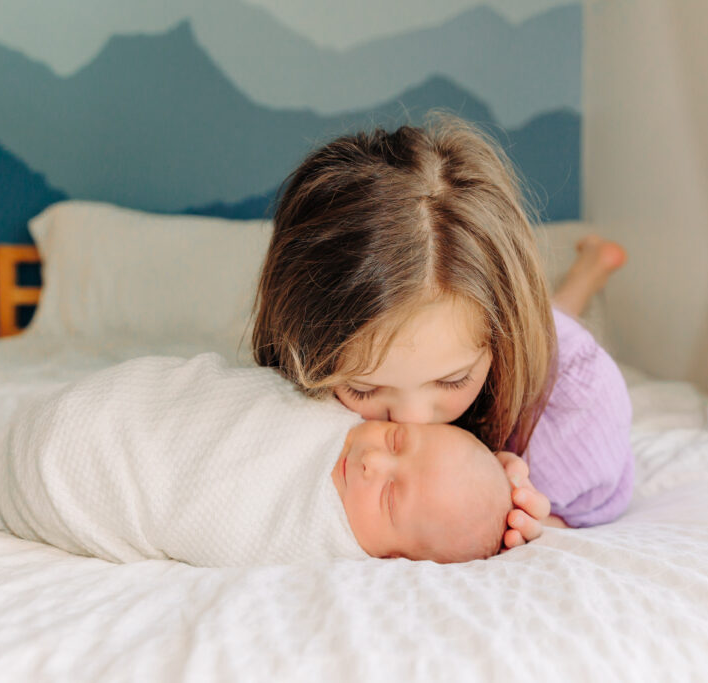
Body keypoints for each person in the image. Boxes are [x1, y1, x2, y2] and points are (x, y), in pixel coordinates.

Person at [252, 114, 633, 548]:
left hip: (544, 354)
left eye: (453, 379)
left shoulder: (575, 413)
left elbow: (588, 513)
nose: (412, 421)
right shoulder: (307, 365)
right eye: (362, 389)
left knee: (553, 321)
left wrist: (516, 516)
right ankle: (585, 273)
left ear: (500, 336)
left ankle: (589, 271)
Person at [0, 354, 512, 566]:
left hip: (66, 476)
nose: (373, 463)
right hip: (113, 415)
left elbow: (211, 509)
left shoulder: (317, 543)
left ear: (398, 559)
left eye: (390, 498)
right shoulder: (337, 411)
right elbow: (231, 397)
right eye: (396, 440)